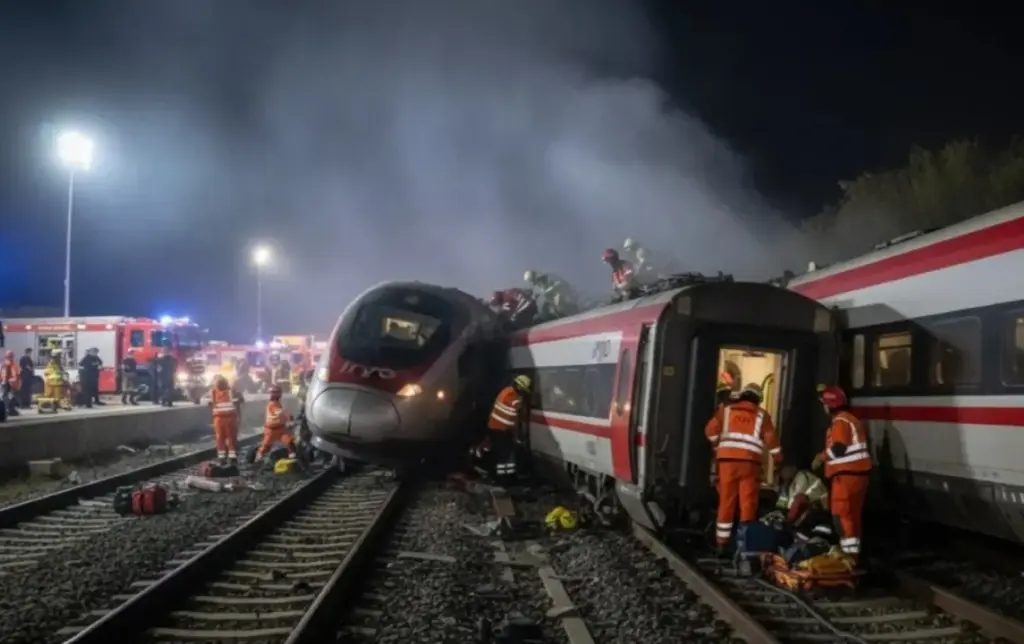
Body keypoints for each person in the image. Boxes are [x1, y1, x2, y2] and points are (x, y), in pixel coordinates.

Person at [704, 382, 782, 556]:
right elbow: (772, 440)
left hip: (727, 463)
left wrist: (719, 444)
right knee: (748, 503)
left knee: (726, 502)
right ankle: (745, 545)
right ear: (758, 399)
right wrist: (778, 461)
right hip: (750, 464)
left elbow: (710, 432)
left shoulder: (727, 410)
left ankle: (721, 545)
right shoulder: (762, 415)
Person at [813, 385, 872, 560]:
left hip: (846, 477)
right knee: (853, 517)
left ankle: (848, 556)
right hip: (858, 476)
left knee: (841, 516)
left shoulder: (840, 421)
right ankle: (853, 554)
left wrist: (821, 457)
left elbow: (838, 448)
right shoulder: (851, 420)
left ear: (830, 405)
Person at [483, 374, 532, 480]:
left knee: (500, 454)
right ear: (519, 387)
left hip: (494, 427)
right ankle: (506, 478)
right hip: (502, 430)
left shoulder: (505, 391)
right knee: (506, 454)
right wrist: (517, 435)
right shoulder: (514, 398)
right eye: (523, 390)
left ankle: (499, 476)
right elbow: (515, 417)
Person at [257, 385, 296, 461]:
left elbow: (281, 415)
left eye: (277, 392)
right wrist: (289, 418)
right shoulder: (272, 404)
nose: (275, 394)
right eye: (274, 393)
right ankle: (258, 458)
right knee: (266, 446)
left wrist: (288, 419)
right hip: (271, 430)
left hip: (280, 428)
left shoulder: (277, 403)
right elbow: (280, 413)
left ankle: (293, 457)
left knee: (289, 442)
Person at [209, 375, 240, 465]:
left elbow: (209, 402)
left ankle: (222, 458)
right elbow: (238, 401)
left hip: (218, 420)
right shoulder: (230, 393)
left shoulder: (213, 392)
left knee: (220, 438)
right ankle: (232, 457)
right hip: (230, 419)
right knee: (231, 437)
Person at [1, 351, 20, 417]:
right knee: (11, 397)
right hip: (10, 384)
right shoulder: (14, 365)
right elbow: (17, 375)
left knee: (6, 397)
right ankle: (10, 409)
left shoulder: (3, 365)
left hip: (6, 383)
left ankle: (8, 409)